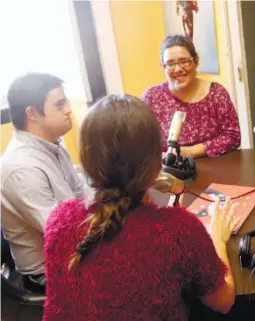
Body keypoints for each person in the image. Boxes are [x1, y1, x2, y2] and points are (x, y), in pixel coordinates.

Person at [42, 95, 239, 321]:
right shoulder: (177, 229)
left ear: (86, 159)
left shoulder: (58, 220)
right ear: (157, 162)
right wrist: (218, 240)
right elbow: (223, 301)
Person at [1, 72, 86, 290]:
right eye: (60, 105)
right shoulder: (21, 167)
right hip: (47, 273)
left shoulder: (52, 144)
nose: (68, 110)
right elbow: (62, 234)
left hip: (73, 248)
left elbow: (81, 191)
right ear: (32, 113)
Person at [142, 35, 241, 159]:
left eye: (184, 61)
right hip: (169, 172)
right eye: (170, 64)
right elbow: (142, 144)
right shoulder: (152, 97)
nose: (178, 69)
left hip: (216, 170)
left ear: (196, 61)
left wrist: (191, 152)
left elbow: (233, 137)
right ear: (163, 67)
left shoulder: (217, 94)